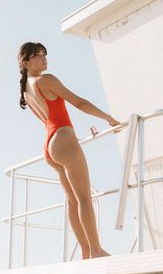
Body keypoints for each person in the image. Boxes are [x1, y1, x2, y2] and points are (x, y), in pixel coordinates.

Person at [18, 41, 121, 259]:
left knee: (73, 201)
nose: (44, 58)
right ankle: (96, 249)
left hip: (50, 144)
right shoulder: (46, 79)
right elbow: (79, 103)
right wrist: (108, 118)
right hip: (63, 139)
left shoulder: (27, 90)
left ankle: (86, 250)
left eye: (44, 54)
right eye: (37, 56)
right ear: (25, 62)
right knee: (84, 198)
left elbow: (48, 119)